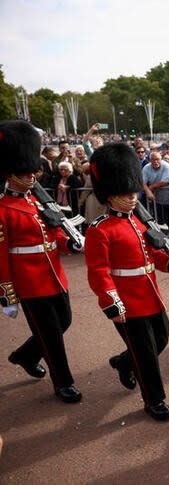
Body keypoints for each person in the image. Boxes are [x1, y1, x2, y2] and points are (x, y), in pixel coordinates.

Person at [85, 143, 169, 421]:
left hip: (150, 293)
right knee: (146, 355)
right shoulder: (100, 230)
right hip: (127, 301)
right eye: (126, 193)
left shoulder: (140, 223)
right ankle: (154, 400)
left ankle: (123, 361)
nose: (133, 197)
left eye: (134, 191)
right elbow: (98, 271)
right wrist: (111, 301)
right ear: (109, 195)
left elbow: (153, 255)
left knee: (163, 337)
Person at [0, 120, 83, 404]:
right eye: (25, 173)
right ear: (10, 175)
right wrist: (7, 292)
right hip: (29, 282)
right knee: (50, 334)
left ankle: (24, 355)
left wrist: (69, 243)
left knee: (65, 321)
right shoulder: (3, 210)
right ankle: (63, 383)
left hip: (55, 274)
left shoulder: (37, 203)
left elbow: (54, 233)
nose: (32, 177)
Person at [142, 151, 169, 235]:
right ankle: (162, 237)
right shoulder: (146, 168)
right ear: (149, 160)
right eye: (153, 160)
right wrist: (148, 192)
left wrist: (151, 187)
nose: (155, 162)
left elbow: (165, 182)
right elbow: (143, 183)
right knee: (159, 219)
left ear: (161, 159)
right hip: (158, 199)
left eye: (157, 159)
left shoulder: (166, 166)